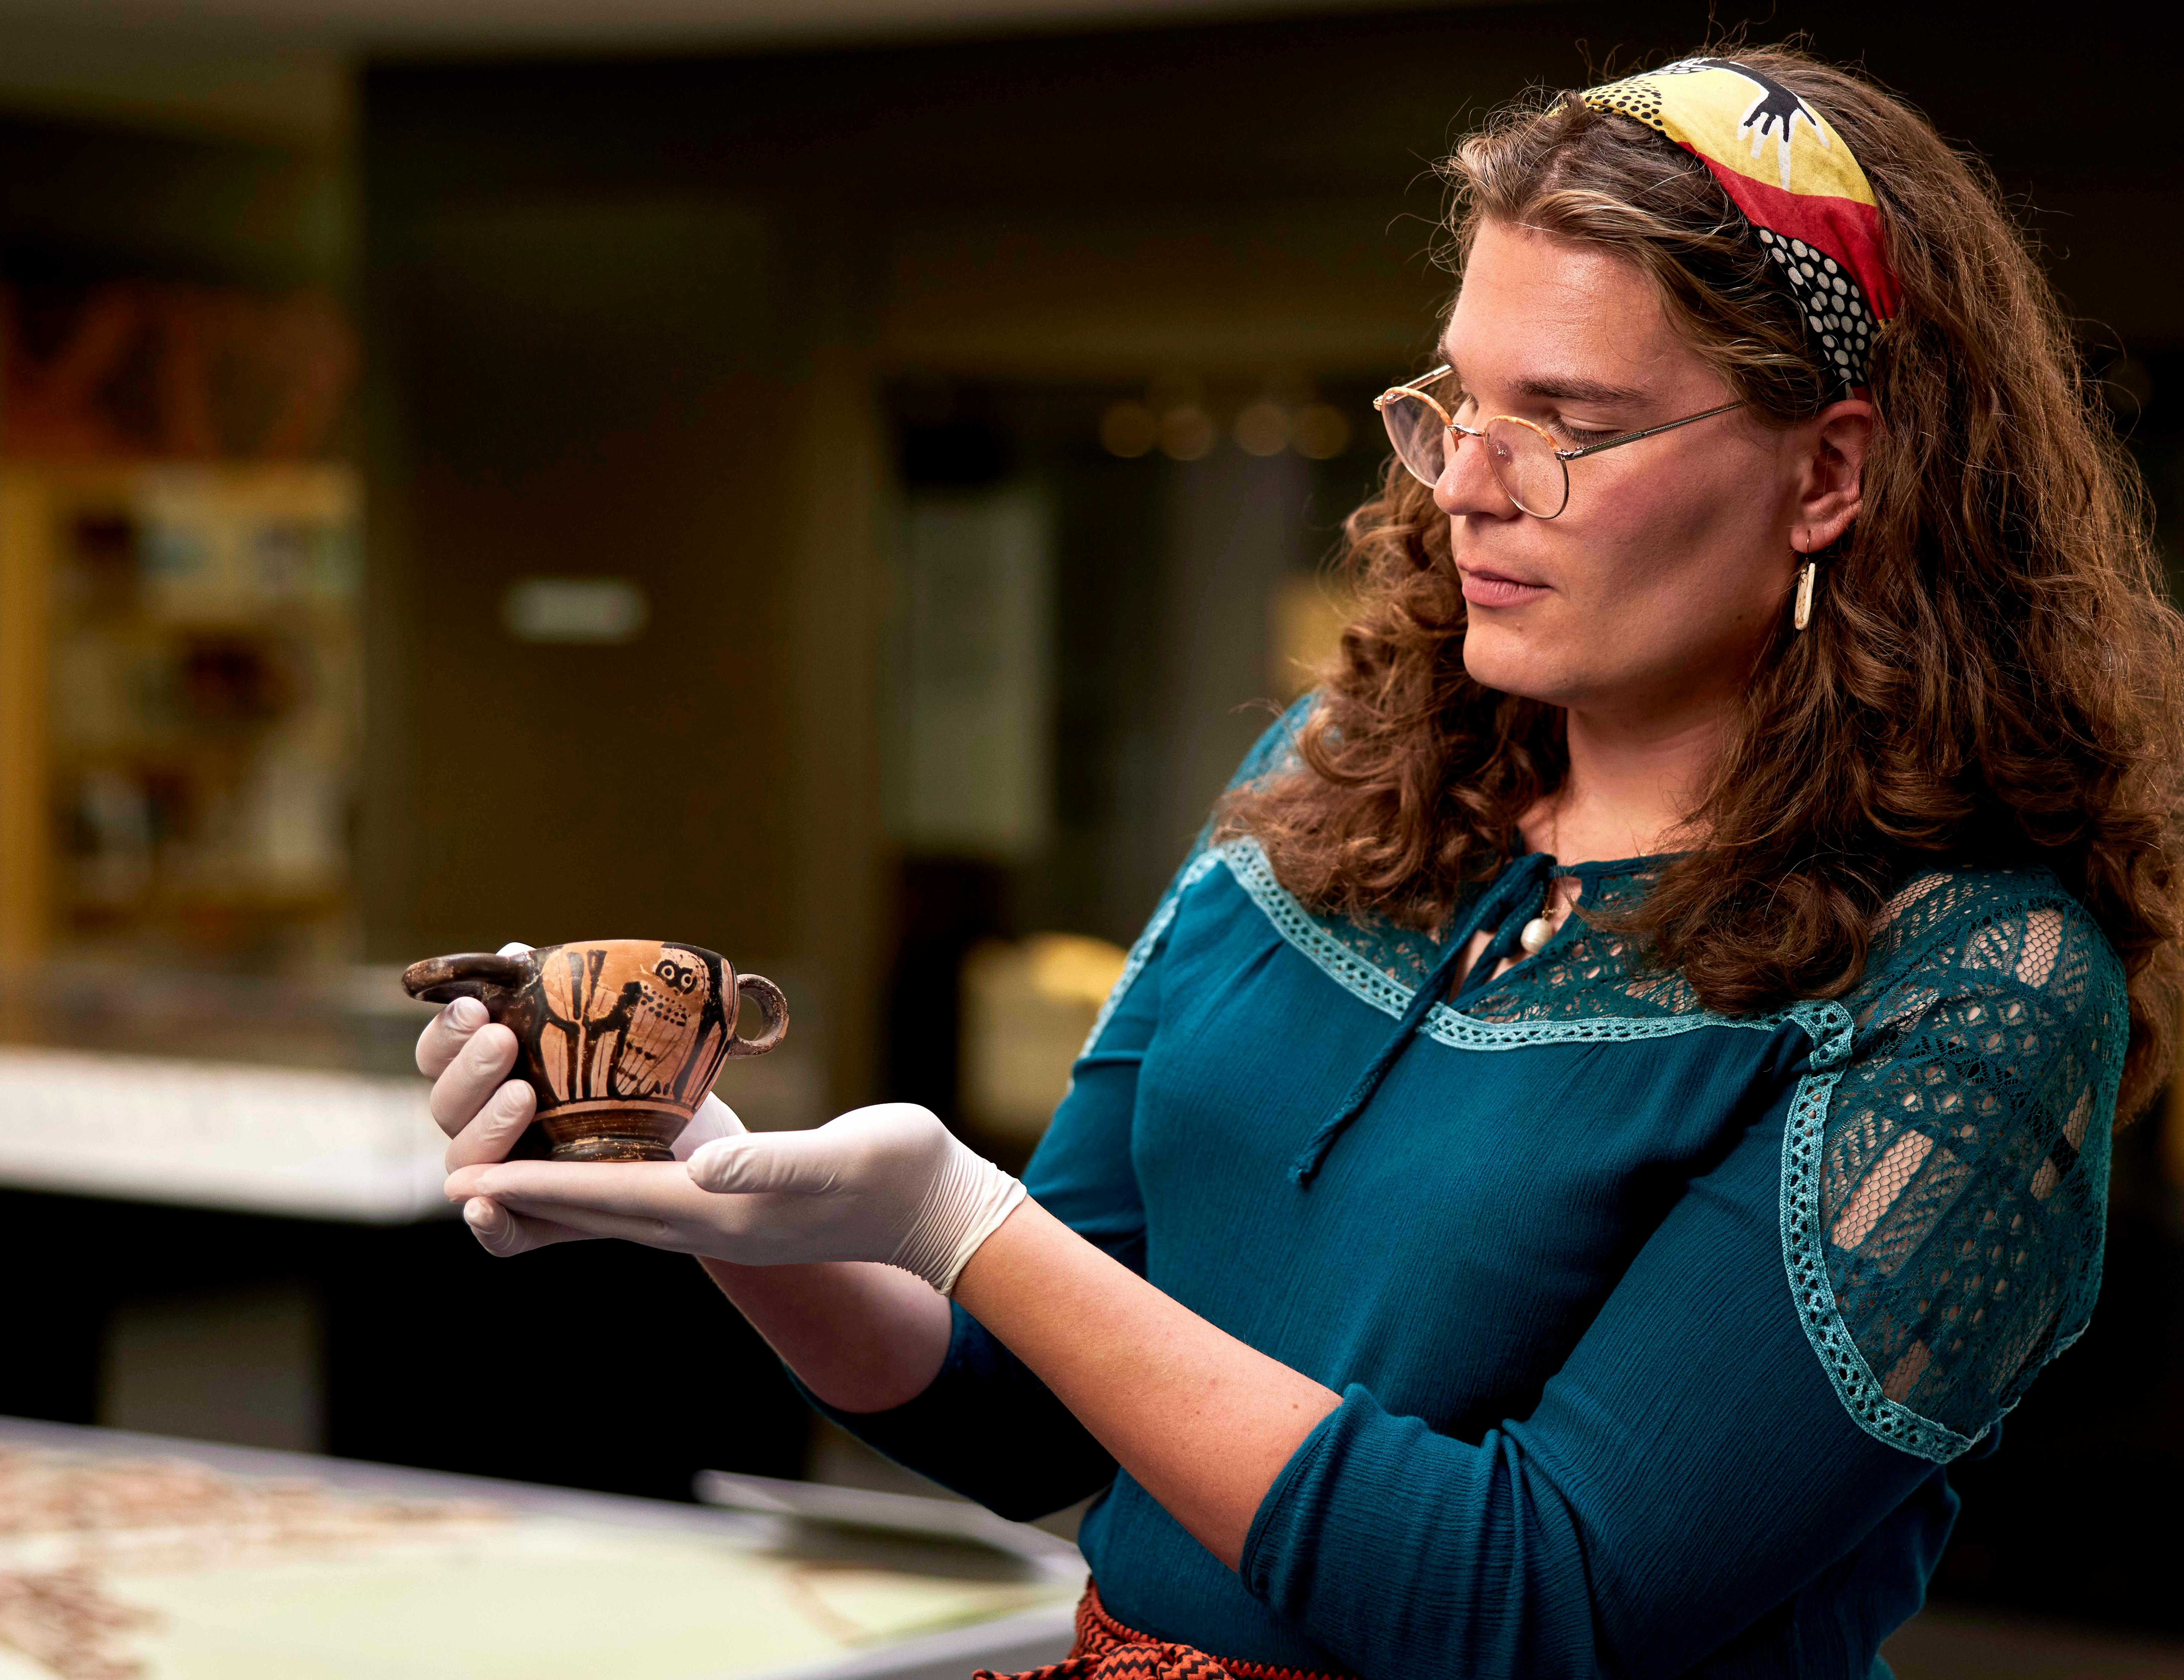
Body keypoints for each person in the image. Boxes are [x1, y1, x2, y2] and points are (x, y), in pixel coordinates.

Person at [415, 46, 2183, 1679]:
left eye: (1566, 422)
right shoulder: (1327, 790)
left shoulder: (1977, 989)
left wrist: (960, 1217)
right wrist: (731, 1195)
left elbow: (1538, 1596)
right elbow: (1023, 1413)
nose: (1467, 486)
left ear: (1829, 474)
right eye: (1456, 406)